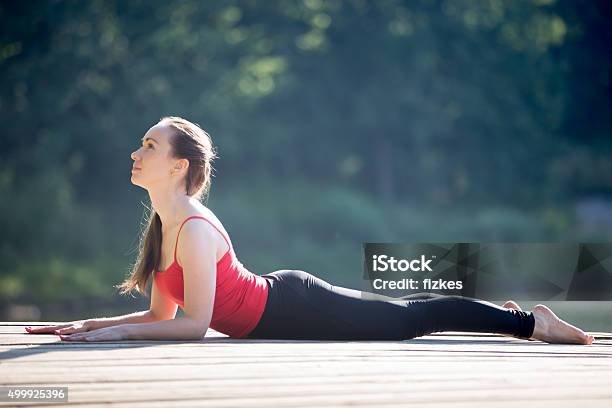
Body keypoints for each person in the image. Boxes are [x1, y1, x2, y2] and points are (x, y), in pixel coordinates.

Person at [25, 116, 595, 345]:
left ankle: (530, 323)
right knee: (413, 311)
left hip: (294, 304)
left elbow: (197, 326)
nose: (136, 150)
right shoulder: (164, 223)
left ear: (178, 167)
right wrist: (89, 324)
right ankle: (526, 318)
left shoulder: (194, 230)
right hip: (281, 305)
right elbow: (160, 316)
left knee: (417, 318)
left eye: (148, 145)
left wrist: (108, 339)